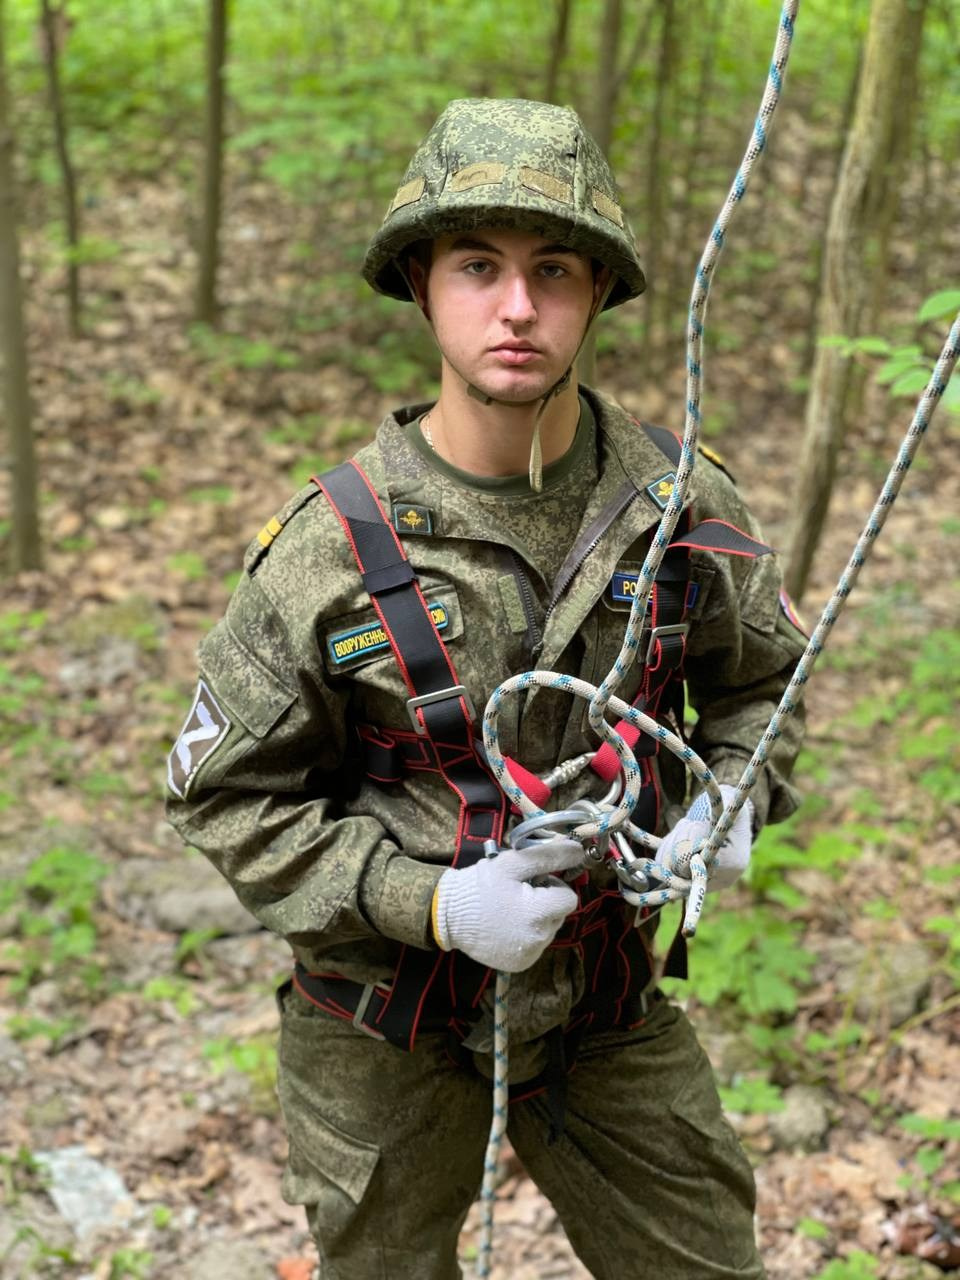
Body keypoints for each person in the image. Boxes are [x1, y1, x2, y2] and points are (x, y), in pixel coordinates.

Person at [166, 97, 807, 1280]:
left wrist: (733, 792)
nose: (517, 307)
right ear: (421, 283)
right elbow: (225, 797)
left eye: (553, 268)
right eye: (478, 266)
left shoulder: (681, 504)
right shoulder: (327, 548)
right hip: (384, 1021)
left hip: (607, 997)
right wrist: (434, 904)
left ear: (600, 291)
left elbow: (762, 681)